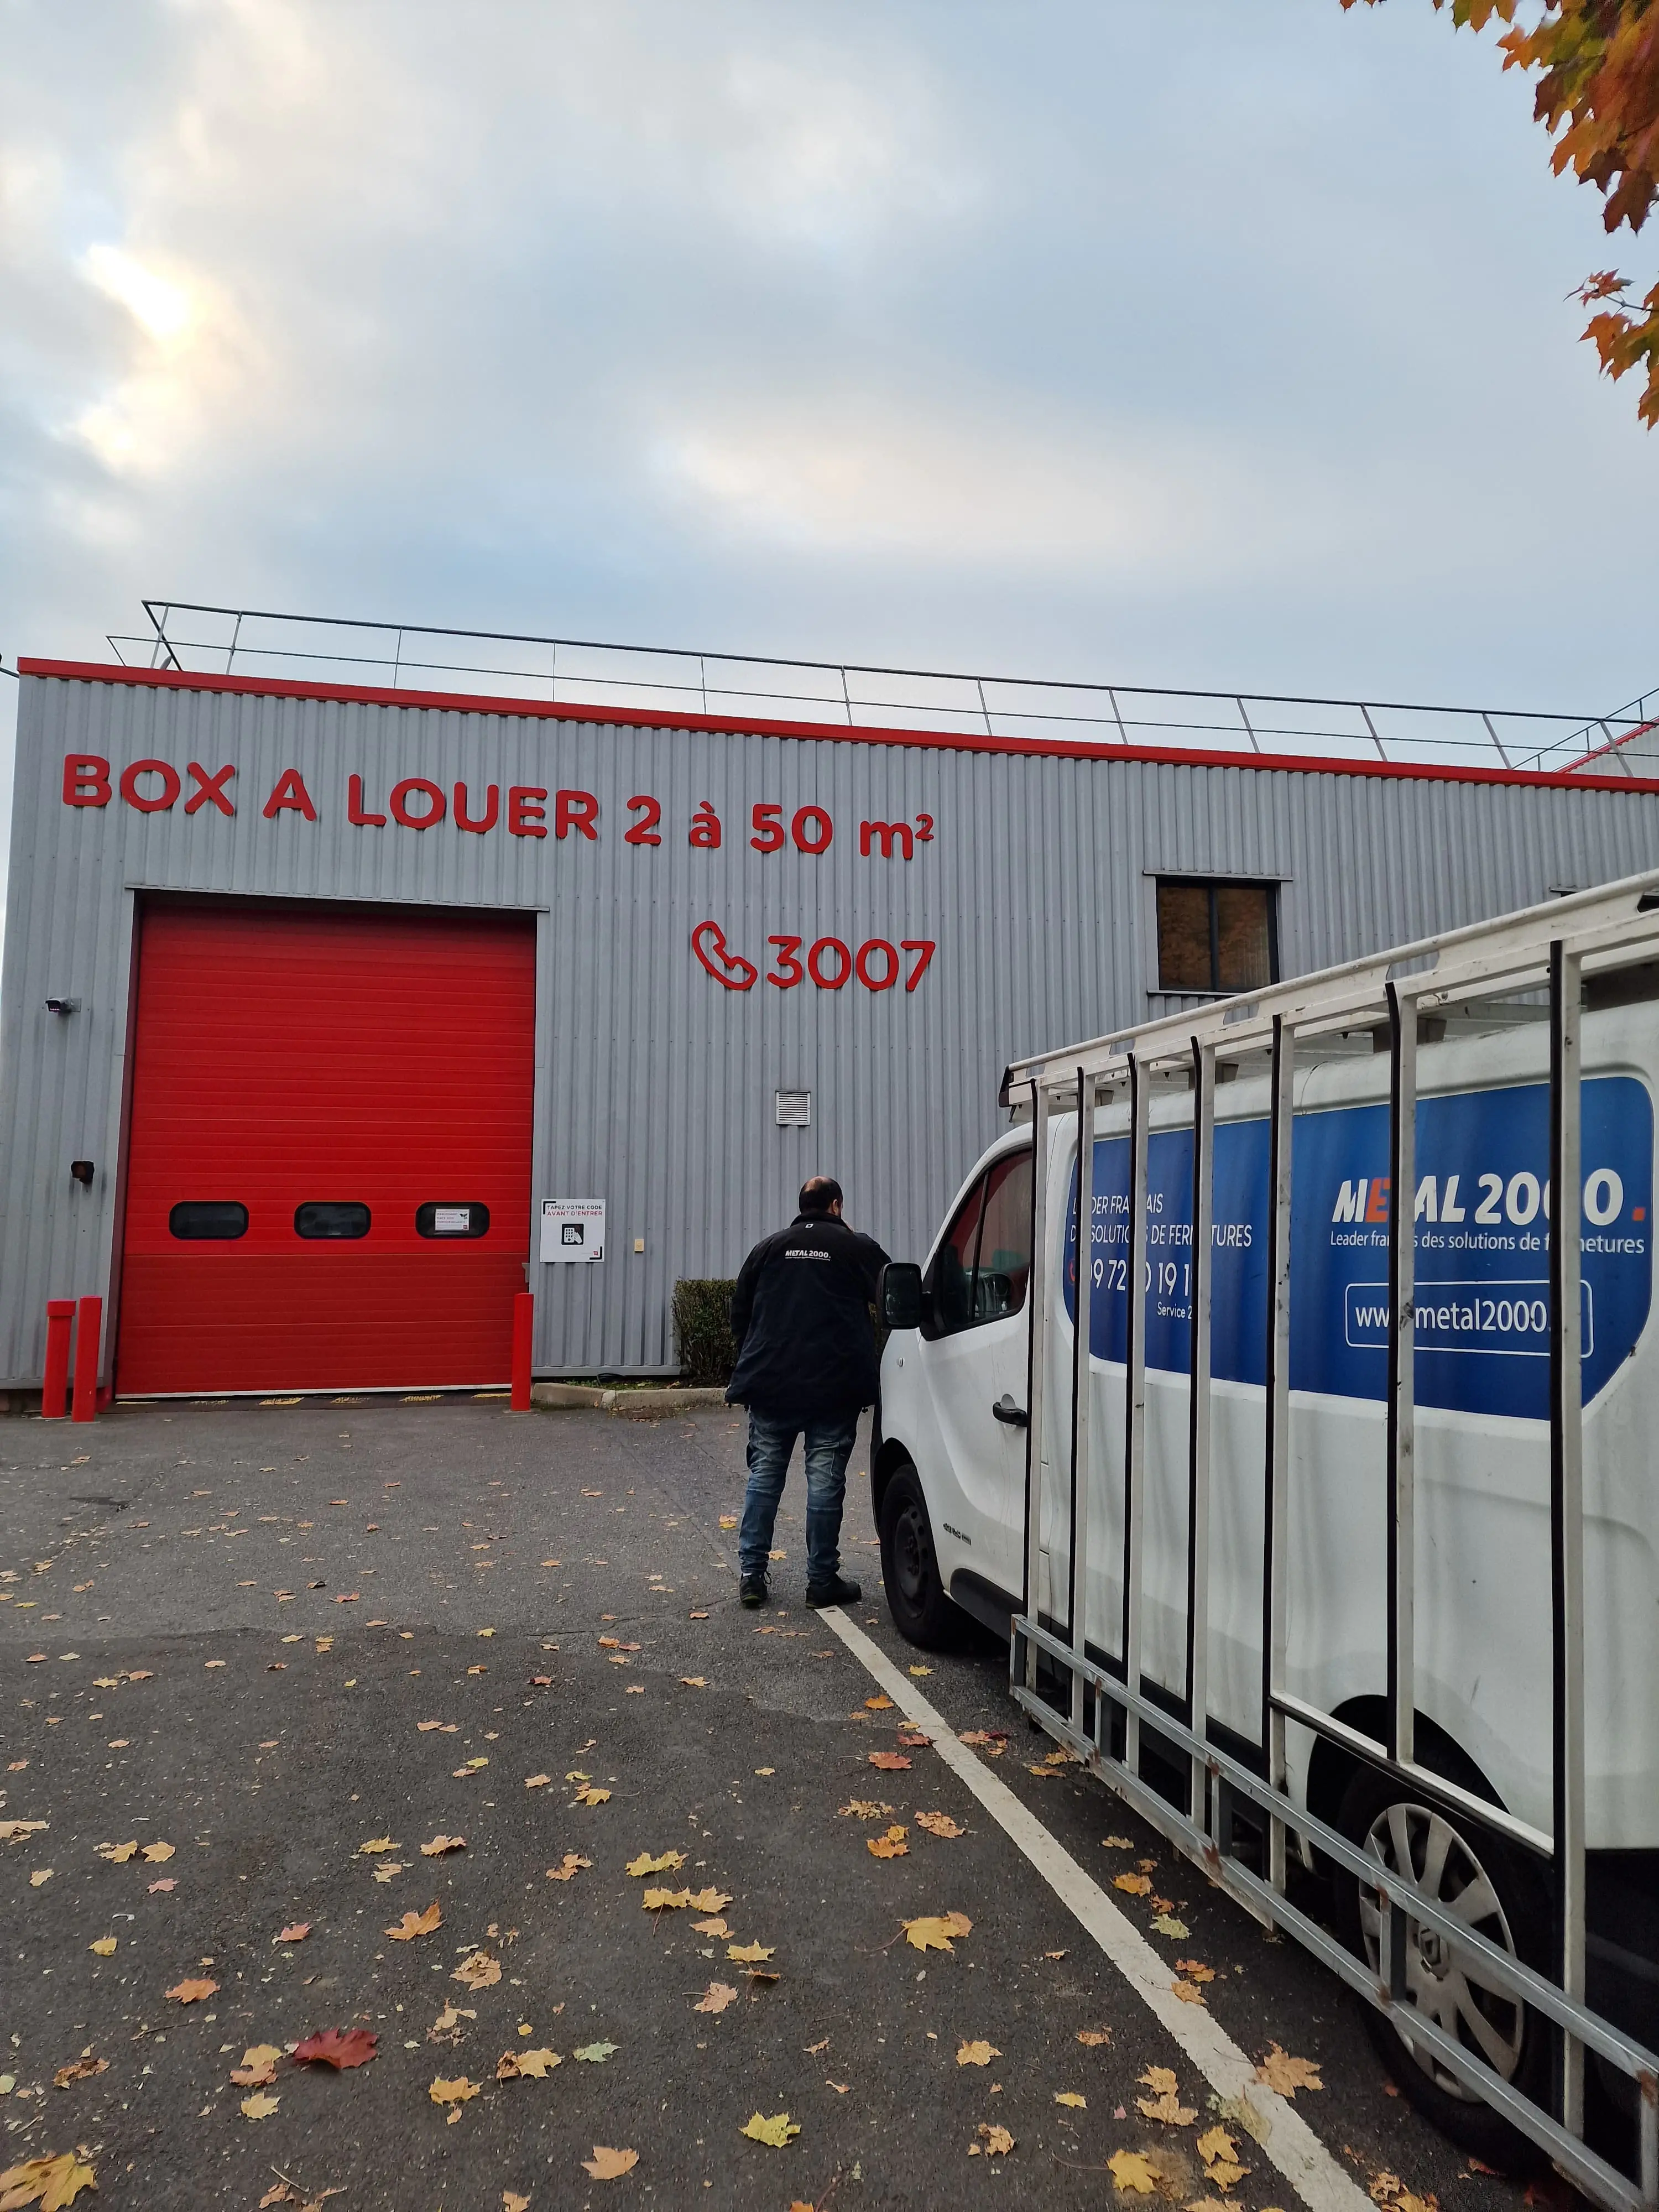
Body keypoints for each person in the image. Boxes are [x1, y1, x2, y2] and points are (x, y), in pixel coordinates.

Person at [726, 1175, 890, 1609]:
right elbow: (894, 1297)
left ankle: (751, 1576)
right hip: (832, 1390)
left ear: (802, 1205)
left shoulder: (769, 1247)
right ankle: (821, 1580)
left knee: (764, 1478)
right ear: (836, 1205)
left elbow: (739, 1311)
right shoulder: (855, 1247)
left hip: (771, 1385)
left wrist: (754, 1359)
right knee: (824, 1482)